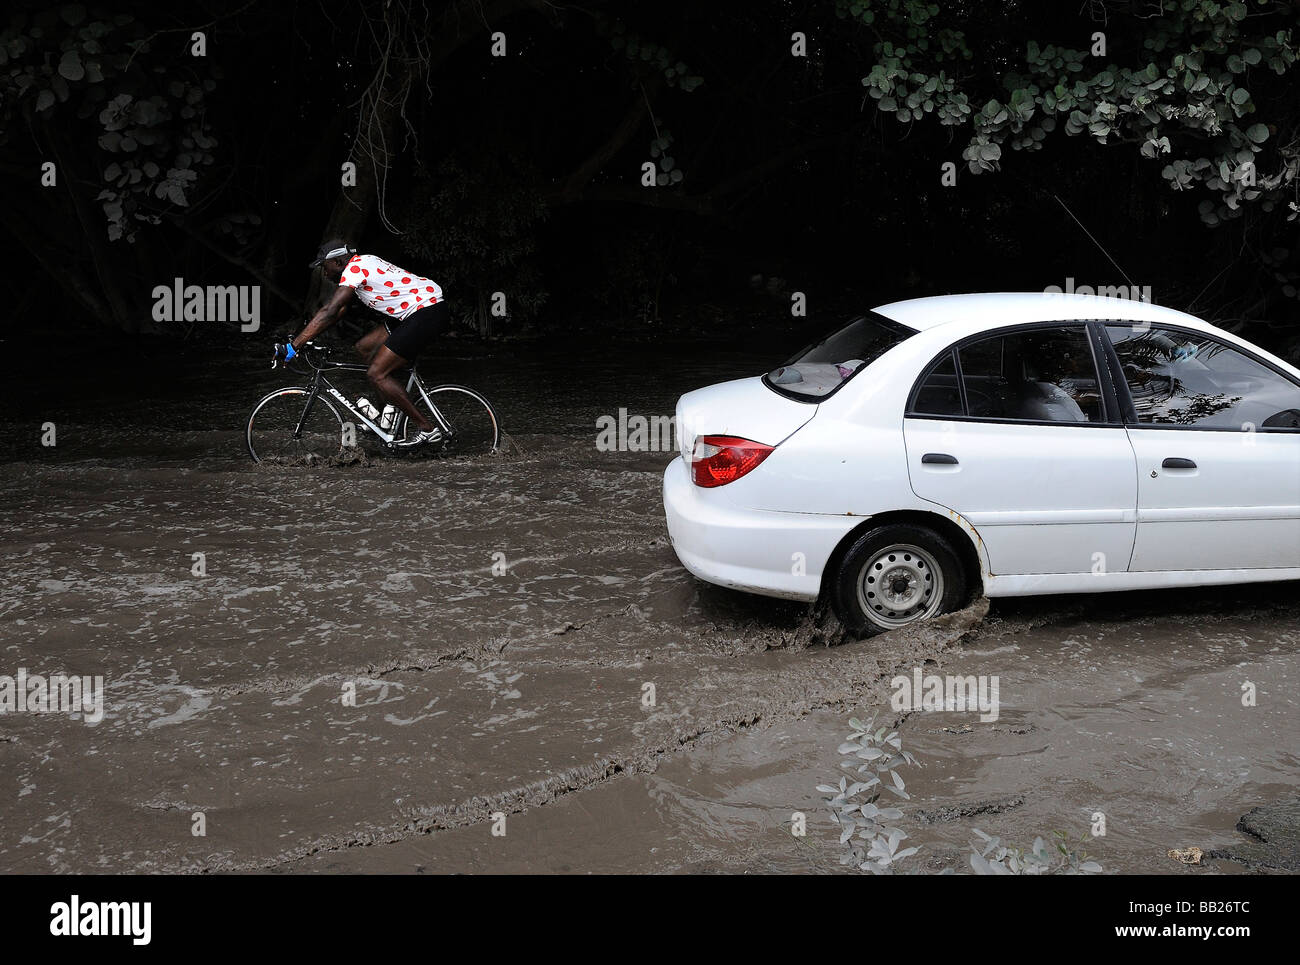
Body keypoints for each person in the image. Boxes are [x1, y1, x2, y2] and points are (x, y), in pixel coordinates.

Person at [286, 239, 449, 442]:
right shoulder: (363, 263)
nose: (324, 273)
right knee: (364, 348)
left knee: (376, 374)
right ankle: (385, 421)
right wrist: (305, 337)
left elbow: (330, 311)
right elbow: (338, 312)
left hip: (425, 312)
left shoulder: (355, 269)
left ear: (337, 262)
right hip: (413, 313)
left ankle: (427, 429)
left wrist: (294, 346)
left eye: (323, 267)